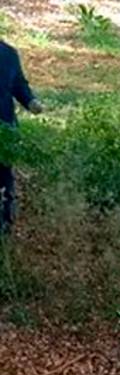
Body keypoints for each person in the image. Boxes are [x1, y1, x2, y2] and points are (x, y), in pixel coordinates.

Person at [0, 39, 43, 231]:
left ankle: (5, 224)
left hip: (5, 129)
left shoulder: (8, 53)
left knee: (4, 176)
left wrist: (31, 101)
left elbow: (18, 83)